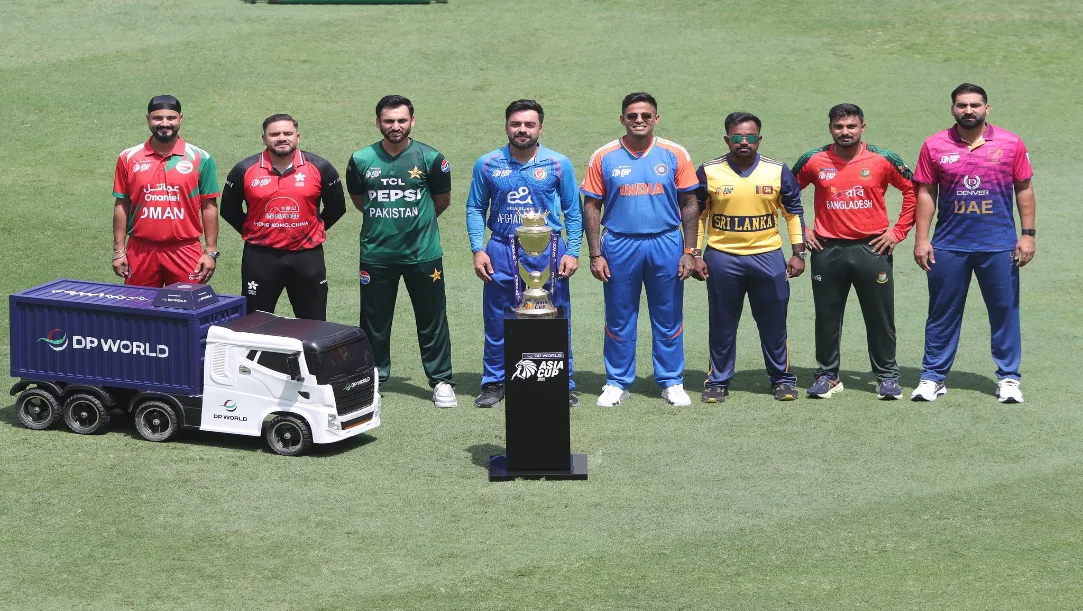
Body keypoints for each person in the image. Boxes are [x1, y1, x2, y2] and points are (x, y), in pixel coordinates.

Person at [911, 83, 1036, 403]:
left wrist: (1027, 234)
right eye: (962, 105)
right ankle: (932, 377)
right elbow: (926, 193)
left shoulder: (1010, 143)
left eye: (975, 105)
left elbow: (1023, 188)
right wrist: (922, 240)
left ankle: (1008, 378)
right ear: (953, 109)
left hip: (998, 245)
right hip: (949, 245)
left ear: (987, 109)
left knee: (1004, 311)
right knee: (942, 312)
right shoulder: (934, 144)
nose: (969, 110)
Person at [582, 92, 700, 407]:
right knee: (620, 316)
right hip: (619, 243)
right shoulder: (604, 155)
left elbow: (690, 204)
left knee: (669, 315)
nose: (639, 121)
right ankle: (617, 381)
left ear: (656, 119)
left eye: (646, 115)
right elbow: (591, 206)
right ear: (622, 119)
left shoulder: (675, 153)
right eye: (632, 115)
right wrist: (595, 253)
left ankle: (671, 381)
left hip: (666, 242)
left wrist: (691, 250)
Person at [792, 103, 917, 400]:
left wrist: (897, 232)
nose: (844, 132)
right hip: (827, 249)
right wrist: (804, 231)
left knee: (880, 316)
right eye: (838, 126)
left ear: (863, 127)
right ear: (830, 128)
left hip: (872, 248)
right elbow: (786, 194)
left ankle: (887, 376)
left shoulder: (883, 159)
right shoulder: (813, 160)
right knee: (827, 316)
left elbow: (913, 190)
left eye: (851, 126)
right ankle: (827, 375)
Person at [467, 99, 583, 408]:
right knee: (496, 318)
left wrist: (572, 251)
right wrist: (478, 249)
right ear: (506, 126)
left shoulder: (559, 163)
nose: (522, 130)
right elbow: (475, 208)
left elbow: (574, 210)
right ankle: (494, 382)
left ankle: (562, 381)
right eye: (516, 124)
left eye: (529, 124)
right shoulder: (487, 163)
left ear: (540, 128)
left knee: (556, 315)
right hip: (501, 248)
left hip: (549, 250)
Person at [345, 95, 457, 408]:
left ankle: (441, 380)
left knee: (432, 318)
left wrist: (416, 226)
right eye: (389, 121)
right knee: (374, 321)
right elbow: (360, 200)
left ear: (412, 121)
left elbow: (442, 200)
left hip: (423, 255)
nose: (395, 127)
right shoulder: (361, 159)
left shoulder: (432, 158)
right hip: (377, 256)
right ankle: (374, 379)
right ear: (378, 122)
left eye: (401, 120)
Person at [694, 112, 807, 402]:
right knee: (722, 322)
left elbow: (793, 213)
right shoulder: (709, 171)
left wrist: (798, 252)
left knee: (774, 322)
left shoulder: (777, 170)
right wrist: (694, 253)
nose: (744, 142)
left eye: (750, 136)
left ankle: (782, 380)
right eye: (737, 137)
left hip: (768, 257)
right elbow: (697, 216)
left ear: (759, 139)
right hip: (722, 257)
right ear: (726, 138)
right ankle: (718, 381)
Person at [220, 114, 345, 321]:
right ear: (264, 138)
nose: (281, 138)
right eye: (274, 134)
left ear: (298, 136)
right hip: (260, 257)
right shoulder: (244, 169)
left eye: (287, 133)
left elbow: (337, 208)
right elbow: (229, 210)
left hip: (307, 257)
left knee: (313, 322)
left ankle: (309, 356)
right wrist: (257, 231)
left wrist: (311, 229)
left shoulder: (320, 167)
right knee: (255, 323)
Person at [112, 95, 220, 287]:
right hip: (140, 250)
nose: (164, 123)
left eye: (171, 118)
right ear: (148, 120)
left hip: (185, 250)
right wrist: (119, 250)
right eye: (157, 118)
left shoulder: (200, 158)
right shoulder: (128, 157)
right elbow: (122, 203)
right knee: (138, 311)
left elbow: (209, 205)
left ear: (180, 118)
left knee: (186, 312)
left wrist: (210, 251)